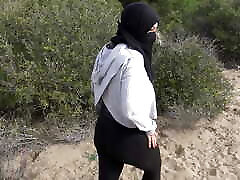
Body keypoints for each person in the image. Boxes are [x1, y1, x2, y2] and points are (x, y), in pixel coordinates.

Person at [91, 2, 161, 180]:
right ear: (139, 29)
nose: (155, 34)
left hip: (103, 129)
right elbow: (130, 107)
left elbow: (95, 81)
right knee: (153, 167)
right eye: (151, 30)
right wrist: (149, 128)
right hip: (124, 136)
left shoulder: (108, 48)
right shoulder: (133, 59)